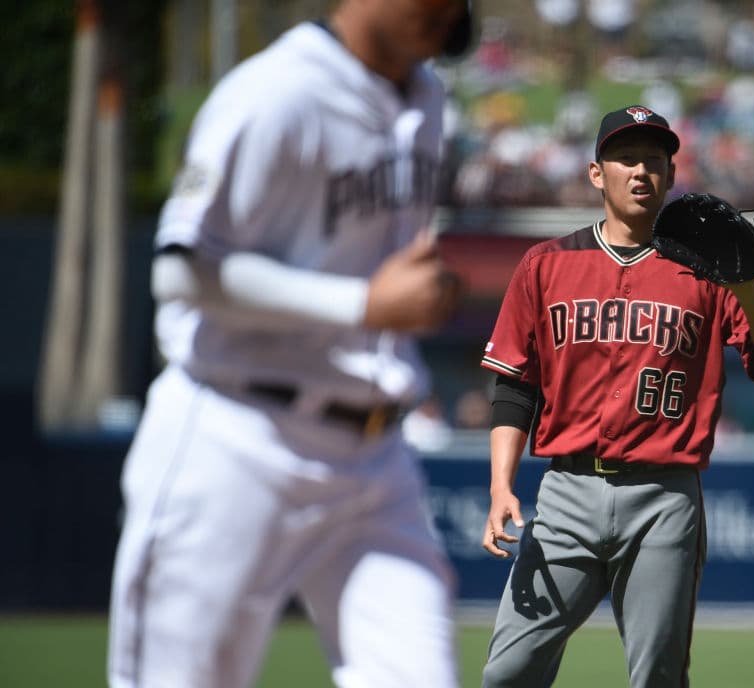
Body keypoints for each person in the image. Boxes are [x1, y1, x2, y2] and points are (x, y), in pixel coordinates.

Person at [106, 2, 472, 687]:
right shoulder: (274, 93)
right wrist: (362, 304)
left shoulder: (427, 96)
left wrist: (412, 297)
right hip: (237, 438)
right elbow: (180, 267)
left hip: (375, 458)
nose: (450, 7)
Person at [477, 105, 754, 687]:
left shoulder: (708, 268)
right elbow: (516, 384)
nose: (641, 171)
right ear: (597, 173)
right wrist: (501, 484)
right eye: (625, 159)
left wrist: (745, 285)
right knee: (508, 673)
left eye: (655, 160)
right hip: (566, 494)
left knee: (656, 677)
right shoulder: (547, 264)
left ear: (672, 177)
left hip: (663, 496)